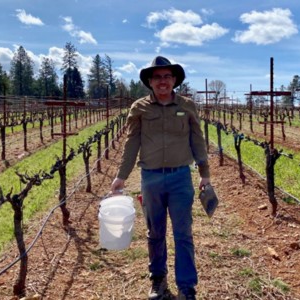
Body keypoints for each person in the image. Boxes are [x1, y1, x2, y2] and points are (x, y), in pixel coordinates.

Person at [110, 56, 210, 300]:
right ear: (150, 82)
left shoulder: (187, 105)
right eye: (157, 77)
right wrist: (121, 176)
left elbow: (197, 139)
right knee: (155, 233)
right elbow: (132, 142)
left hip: (181, 179)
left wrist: (205, 174)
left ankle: (187, 288)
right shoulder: (139, 108)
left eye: (167, 76)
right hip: (151, 179)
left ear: (174, 80)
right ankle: (158, 280)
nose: (163, 81)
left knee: (183, 233)